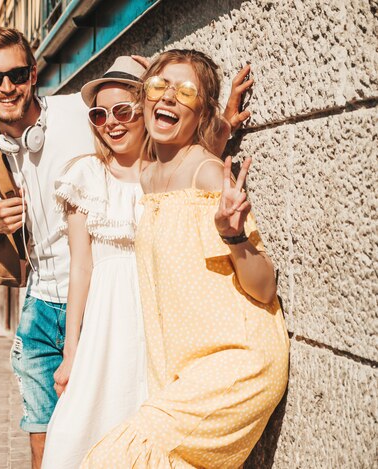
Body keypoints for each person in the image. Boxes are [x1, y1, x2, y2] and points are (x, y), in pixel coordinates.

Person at [81, 49, 290, 469]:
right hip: (182, 370)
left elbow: (265, 287)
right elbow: (187, 146)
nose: (169, 98)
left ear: (201, 111)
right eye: (159, 86)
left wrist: (233, 234)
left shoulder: (209, 174)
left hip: (238, 361)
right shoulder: (148, 176)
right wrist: (220, 120)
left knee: (116, 458)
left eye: (186, 91)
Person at [0, 26, 95, 468]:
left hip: (94, 300)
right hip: (38, 303)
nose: (6, 87)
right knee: (41, 434)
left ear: (34, 74)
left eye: (17, 74)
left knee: (99, 431)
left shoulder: (79, 114)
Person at [41, 57, 150, 469]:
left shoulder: (169, 173)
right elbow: (81, 270)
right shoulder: (85, 176)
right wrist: (71, 354)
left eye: (123, 110)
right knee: (77, 430)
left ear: (146, 110)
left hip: (156, 319)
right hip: (105, 325)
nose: (111, 122)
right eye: (100, 113)